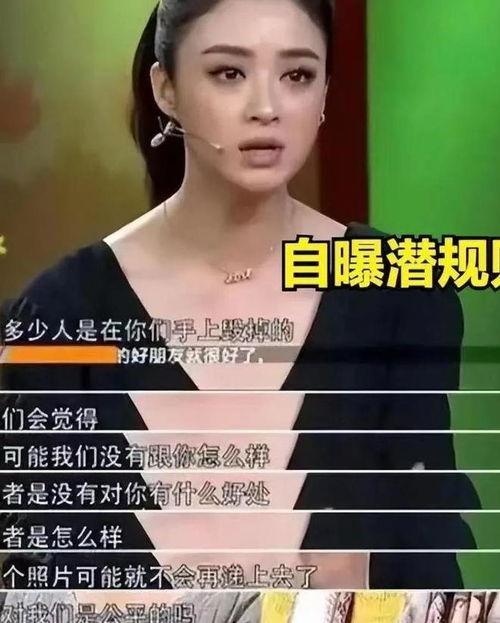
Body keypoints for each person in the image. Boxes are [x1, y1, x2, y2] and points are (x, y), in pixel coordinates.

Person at [0, 0, 480, 592]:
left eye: (297, 74)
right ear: (165, 89)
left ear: (325, 92)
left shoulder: (397, 295)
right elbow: (44, 581)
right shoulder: (59, 315)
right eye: (229, 72)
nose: (266, 107)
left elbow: (430, 570)